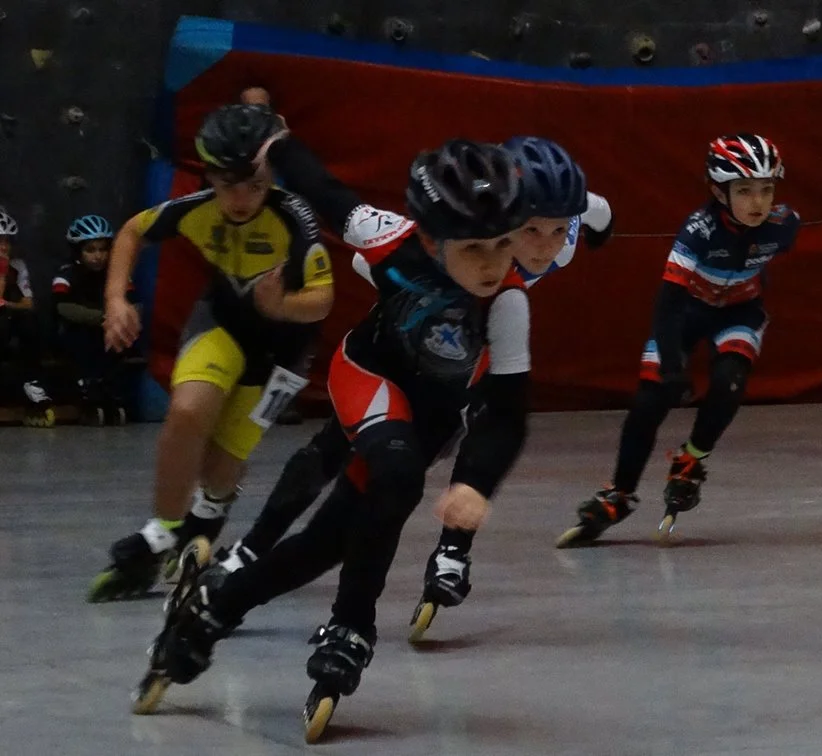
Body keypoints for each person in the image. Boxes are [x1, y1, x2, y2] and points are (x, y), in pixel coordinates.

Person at [135, 139, 533, 743]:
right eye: (474, 248)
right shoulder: (390, 238)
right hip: (369, 373)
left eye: (504, 244)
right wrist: (277, 144)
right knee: (397, 478)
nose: (493, 264)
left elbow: (507, 410)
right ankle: (352, 625)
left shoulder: (509, 302)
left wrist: (477, 482)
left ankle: (212, 610)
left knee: (325, 544)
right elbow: (325, 191)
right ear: (432, 240)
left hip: (433, 413)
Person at [208, 133, 614, 641]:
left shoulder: (547, 250)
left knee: (460, 431)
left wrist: (595, 232)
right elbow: (340, 210)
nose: (544, 246)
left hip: (466, 356)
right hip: (400, 351)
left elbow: (599, 216)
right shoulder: (435, 236)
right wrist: (279, 145)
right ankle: (253, 550)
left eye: (558, 231)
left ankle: (450, 551)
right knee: (335, 451)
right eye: (530, 230)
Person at [87, 103, 335, 602]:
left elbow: (323, 299)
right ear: (210, 176)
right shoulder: (196, 209)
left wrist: (283, 305)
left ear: (272, 176)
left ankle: (210, 511)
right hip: (224, 321)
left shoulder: (296, 220)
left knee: (223, 462)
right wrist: (115, 299)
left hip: (283, 347)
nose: (242, 198)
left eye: (256, 185)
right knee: (186, 412)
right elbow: (132, 231)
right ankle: (162, 531)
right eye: (228, 184)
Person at [557, 133, 800, 547]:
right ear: (718, 192)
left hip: (740, 311)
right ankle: (620, 493)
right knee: (650, 402)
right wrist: (672, 365)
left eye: (766, 189)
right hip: (686, 313)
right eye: (744, 190)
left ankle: (691, 461)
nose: (758, 202)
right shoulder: (698, 229)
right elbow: (668, 301)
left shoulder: (785, 225)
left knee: (730, 380)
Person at [53, 215, 132, 425]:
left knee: (118, 340)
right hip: (77, 332)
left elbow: (133, 302)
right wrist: (102, 317)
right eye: (90, 250)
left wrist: (120, 319)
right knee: (82, 338)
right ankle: (88, 388)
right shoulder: (67, 275)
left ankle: (111, 389)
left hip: (108, 331)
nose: (98, 256)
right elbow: (63, 307)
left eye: (102, 249)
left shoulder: (116, 275)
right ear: (77, 251)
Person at [0, 210, 55, 426]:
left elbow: (28, 303)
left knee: (29, 322)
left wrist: (7, 304)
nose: (4, 247)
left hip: (8, 319)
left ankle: (32, 384)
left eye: (7, 241)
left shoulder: (17, 266)